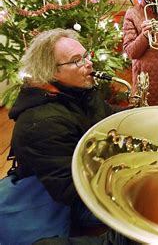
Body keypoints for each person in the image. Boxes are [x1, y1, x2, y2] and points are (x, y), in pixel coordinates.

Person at [7, 29, 124, 239]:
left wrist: (143, 114)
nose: (88, 63)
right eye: (76, 60)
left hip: (90, 169)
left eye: (86, 55)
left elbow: (107, 115)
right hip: (73, 199)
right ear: (51, 72)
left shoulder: (78, 89)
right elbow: (70, 191)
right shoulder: (42, 123)